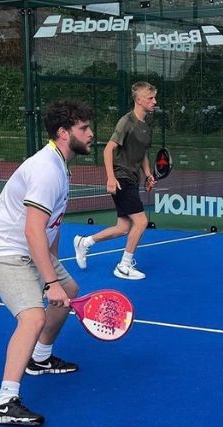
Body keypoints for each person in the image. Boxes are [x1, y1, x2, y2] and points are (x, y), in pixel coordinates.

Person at [0, 100, 94, 426]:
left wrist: (53, 272)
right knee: (33, 318)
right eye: (84, 128)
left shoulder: (60, 165)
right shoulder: (47, 170)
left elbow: (51, 225)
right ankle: (4, 404)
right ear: (63, 132)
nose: (91, 134)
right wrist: (49, 283)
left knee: (70, 290)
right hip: (4, 252)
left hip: (27, 248)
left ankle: (39, 359)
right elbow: (32, 229)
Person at [73, 81, 157, 280]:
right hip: (121, 177)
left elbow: (143, 154)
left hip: (133, 178)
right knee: (141, 221)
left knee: (123, 228)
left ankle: (84, 242)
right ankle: (124, 266)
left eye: (154, 97)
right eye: (150, 98)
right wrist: (111, 178)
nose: (154, 101)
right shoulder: (126, 121)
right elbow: (108, 149)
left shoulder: (146, 126)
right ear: (139, 100)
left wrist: (148, 175)